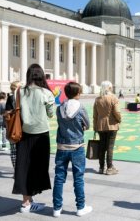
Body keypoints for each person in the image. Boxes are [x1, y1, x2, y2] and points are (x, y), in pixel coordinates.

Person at [12, 63, 55, 213]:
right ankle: (28, 202)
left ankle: (26, 200)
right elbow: (51, 114)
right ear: (42, 76)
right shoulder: (46, 93)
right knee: (38, 167)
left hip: (23, 133)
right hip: (41, 134)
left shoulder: (20, 91)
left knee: (23, 166)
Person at [53, 82, 92, 217]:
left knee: (59, 178)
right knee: (78, 178)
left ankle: (57, 208)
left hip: (62, 146)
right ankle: (80, 207)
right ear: (77, 93)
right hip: (77, 146)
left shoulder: (60, 108)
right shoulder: (81, 107)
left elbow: (60, 122)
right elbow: (87, 124)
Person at [93, 81, 122, 175]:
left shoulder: (97, 99)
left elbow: (95, 115)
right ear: (109, 88)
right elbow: (117, 112)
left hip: (100, 125)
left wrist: (95, 126)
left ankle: (101, 167)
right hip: (112, 125)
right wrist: (119, 119)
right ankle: (109, 168)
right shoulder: (113, 98)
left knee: (102, 146)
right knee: (110, 147)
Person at [5, 81, 21, 167]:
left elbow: (7, 111)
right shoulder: (17, 97)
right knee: (19, 150)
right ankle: (19, 170)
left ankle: (16, 170)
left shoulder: (10, 97)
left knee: (14, 150)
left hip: (12, 127)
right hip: (19, 126)